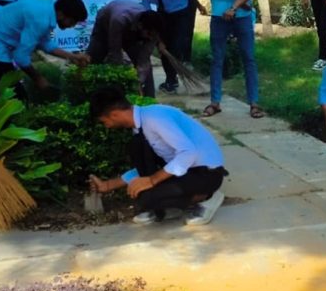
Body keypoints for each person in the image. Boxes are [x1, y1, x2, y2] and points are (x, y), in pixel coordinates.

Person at [88, 86, 227, 225]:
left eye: (104, 121)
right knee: (136, 149)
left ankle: (208, 197)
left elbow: (188, 152)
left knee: (148, 198)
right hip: (187, 171)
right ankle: (167, 206)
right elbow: (148, 167)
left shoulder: (154, 118)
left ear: (114, 114)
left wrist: (152, 181)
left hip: (207, 173)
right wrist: (108, 185)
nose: (106, 126)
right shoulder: (140, 127)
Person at [0, 0, 89, 96]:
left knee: (9, 92)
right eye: (72, 21)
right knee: (13, 96)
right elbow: (21, 57)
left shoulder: (46, 9)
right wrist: (38, 79)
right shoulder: (40, 20)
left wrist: (73, 57)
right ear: (62, 15)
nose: (72, 26)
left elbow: (46, 43)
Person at [85, 0, 165, 98]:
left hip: (132, 31)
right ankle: (87, 95)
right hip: (105, 26)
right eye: (149, 34)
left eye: (154, 36)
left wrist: (139, 80)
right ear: (140, 26)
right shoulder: (119, 19)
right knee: (93, 60)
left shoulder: (152, 31)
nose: (150, 38)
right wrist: (122, 78)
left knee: (146, 67)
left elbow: (144, 59)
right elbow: (115, 53)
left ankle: (150, 100)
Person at [139, 0, 195, 93]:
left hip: (181, 13)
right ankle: (171, 80)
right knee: (164, 50)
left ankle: (181, 65)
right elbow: (147, 13)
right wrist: (159, 41)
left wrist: (191, 13)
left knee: (176, 46)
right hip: (165, 16)